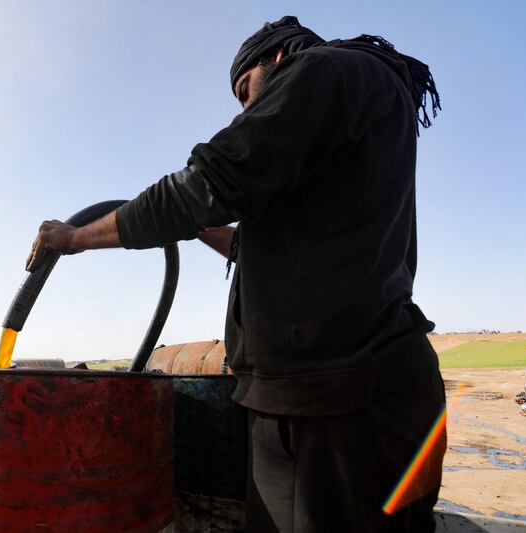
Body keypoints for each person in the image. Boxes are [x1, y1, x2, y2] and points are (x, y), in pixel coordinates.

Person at [26, 16, 445, 533]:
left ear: (277, 59)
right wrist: (197, 223)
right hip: (332, 397)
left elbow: (211, 182)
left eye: (247, 91)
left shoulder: (326, 69)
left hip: (337, 405)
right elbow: (246, 239)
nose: (248, 110)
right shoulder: (353, 110)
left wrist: (78, 238)